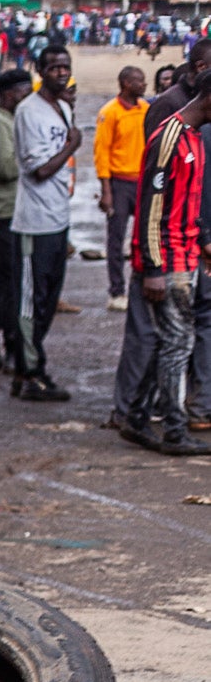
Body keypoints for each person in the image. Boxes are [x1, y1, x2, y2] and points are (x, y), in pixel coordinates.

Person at [121, 81, 211, 455]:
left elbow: (186, 205)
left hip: (184, 255)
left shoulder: (194, 138)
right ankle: (174, 430)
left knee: (169, 341)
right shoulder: (169, 136)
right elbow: (150, 205)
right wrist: (153, 268)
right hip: (167, 260)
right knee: (178, 342)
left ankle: (137, 418)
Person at [10, 45, 78, 401]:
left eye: (65, 66)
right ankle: (31, 371)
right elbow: (39, 170)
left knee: (49, 301)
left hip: (58, 217)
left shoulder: (64, 107)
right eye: (53, 68)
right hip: (33, 222)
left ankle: (26, 370)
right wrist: (72, 145)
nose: (61, 73)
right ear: (39, 70)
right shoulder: (28, 111)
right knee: (29, 302)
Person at [0, 68, 33, 378]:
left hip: (12, 210)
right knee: (11, 283)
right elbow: (8, 168)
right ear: (9, 94)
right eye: (24, 93)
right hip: (3, 212)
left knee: (2, 281)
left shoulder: (11, 121)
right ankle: (11, 346)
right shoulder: (0, 124)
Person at [98, 66, 150, 312]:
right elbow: (102, 152)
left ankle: (141, 288)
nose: (144, 84)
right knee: (116, 239)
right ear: (126, 83)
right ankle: (116, 291)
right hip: (119, 183)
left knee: (144, 238)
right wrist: (106, 189)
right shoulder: (109, 113)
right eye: (139, 81)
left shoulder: (146, 109)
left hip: (142, 182)